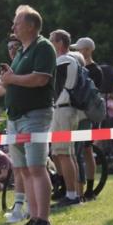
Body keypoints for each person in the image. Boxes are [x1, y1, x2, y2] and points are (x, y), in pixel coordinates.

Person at [0, 5, 57, 225]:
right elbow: (12, 81)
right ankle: (33, 218)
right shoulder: (22, 50)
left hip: (34, 115)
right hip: (15, 118)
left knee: (36, 168)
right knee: (23, 170)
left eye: (17, 23)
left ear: (31, 25)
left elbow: (41, 79)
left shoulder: (43, 47)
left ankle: (43, 219)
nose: (13, 27)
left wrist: (12, 78)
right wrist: (9, 79)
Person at [0, 37, 30, 223]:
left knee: (30, 166)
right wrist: (10, 84)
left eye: (16, 46)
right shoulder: (10, 68)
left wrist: (11, 83)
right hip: (13, 119)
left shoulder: (25, 62)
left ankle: (30, 205)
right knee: (19, 166)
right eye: (9, 47)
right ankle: (19, 205)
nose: (12, 50)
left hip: (28, 118)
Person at [49, 30, 83, 207]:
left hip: (64, 110)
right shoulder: (69, 60)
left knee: (64, 153)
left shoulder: (64, 60)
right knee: (64, 153)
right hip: (63, 110)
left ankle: (71, 195)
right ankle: (72, 192)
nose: (49, 45)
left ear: (60, 43)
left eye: (51, 41)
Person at [69, 37, 103, 200]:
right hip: (80, 114)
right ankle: (82, 187)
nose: (75, 52)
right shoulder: (78, 67)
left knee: (86, 151)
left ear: (87, 50)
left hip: (88, 114)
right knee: (84, 150)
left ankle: (88, 187)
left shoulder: (94, 70)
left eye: (78, 49)